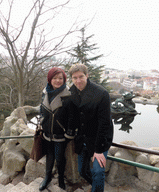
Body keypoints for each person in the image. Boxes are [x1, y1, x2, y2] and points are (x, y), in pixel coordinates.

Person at [66, 63, 114, 192]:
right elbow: (72, 117)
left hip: (99, 139)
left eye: (81, 76)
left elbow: (105, 123)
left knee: (98, 172)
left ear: (87, 75)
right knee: (82, 171)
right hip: (82, 138)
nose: (78, 81)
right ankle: (96, 187)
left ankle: (97, 188)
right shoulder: (71, 92)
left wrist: (98, 150)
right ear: (71, 78)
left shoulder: (101, 93)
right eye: (75, 78)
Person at [39, 67, 71, 191]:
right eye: (55, 78)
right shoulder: (45, 92)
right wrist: (42, 121)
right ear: (50, 79)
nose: (58, 81)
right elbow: (42, 109)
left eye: (60, 78)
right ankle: (47, 177)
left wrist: (68, 133)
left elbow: (72, 116)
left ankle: (61, 179)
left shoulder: (68, 95)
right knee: (49, 156)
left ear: (64, 80)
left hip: (60, 134)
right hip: (47, 133)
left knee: (60, 158)